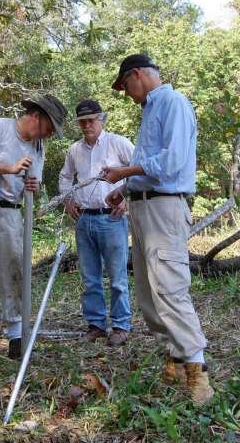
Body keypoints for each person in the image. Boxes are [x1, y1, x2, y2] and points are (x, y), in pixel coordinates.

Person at [102, 54, 214, 405]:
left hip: (165, 209)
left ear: (137, 75)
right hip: (143, 207)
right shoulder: (150, 109)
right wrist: (125, 190)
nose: (126, 94)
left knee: (170, 288)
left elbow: (172, 162)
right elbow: (148, 169)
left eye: (125, 86)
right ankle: (176, 356)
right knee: (149, 295)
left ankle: (198, 371)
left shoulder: (173, 102)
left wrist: (125, 172)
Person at [0, 95, 67, 364]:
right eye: (50, 128)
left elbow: (32, 181)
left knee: (15, 269)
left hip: (12, 212)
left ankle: (16, 337)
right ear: (36, 117)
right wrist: (9, 167)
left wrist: (33, 186)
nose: (49, 135)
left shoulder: (39, 147)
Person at [59, 100, 135, 346]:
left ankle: (121, 326)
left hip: (111, 218)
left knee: (117, 277)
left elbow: (138, 170)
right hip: (84, 219)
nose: (87, 125)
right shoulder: (75, 150)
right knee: (90, 277)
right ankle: (96, 325)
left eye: (91, 120)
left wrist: (127, 198)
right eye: (82, 121)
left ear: (101, 119)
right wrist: (67, 200)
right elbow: (65, 176)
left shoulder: (118, 143)